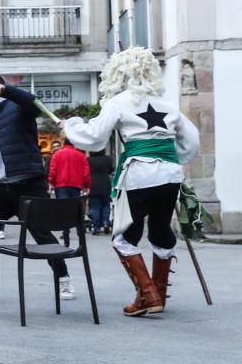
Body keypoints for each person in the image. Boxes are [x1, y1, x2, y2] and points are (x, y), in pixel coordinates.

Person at [61, 47, 199, 316]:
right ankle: (156, 293)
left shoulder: (118, 102)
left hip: (138, 175)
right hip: (170, 175)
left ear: (118, 73)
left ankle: (148, 294)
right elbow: (191, 141)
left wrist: (70, 126)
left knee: (124, 236)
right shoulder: (167, 105)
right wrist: (170, 159)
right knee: (161, 231)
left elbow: (95, 138)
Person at [0, 75, 75, 303]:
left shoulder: (17, 108)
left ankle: (64, 279)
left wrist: (8, 91)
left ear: (1, 89)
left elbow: (34, 104)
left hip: (27, 183)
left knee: (40, 232)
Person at [47, 140, 90, 244]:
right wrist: (86, 185)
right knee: (76, 210)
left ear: (64, 143)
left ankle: (66, 235)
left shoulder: (57, 154)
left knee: (63, 211)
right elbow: (86, 172)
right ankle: (80, 235)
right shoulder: (81, 155)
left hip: (60, 185)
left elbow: (53, 170)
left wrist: (51, 183)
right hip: (76, 186)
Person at [87, 149, 114, 234]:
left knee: (95, 206)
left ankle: (96, 227)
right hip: (105, 183)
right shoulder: (107, 159)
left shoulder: (89, 160)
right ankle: (106, 222)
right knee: (106, 204)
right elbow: (111, 170)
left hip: (93, 184)